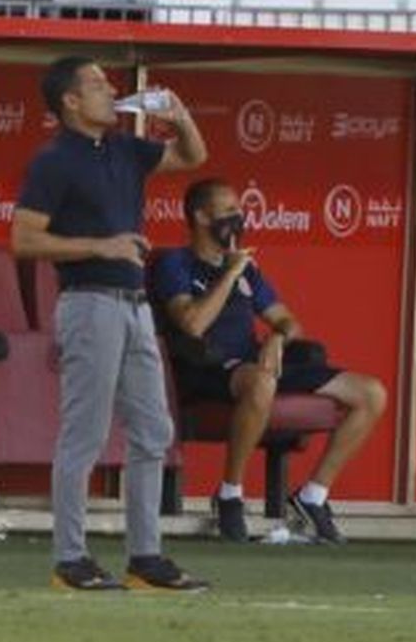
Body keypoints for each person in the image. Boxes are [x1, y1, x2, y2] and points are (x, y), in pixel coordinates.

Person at [10, 57, 209, 592]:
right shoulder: (54, 161)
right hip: (89, 301)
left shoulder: (124, 148)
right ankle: (69, 559)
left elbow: (192, 155)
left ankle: (145, 557)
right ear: (71, 102)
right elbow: (24, 239)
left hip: (134, 304)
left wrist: (180, 115)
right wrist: (101, 245)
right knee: (86, 434)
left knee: (153, 431)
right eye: (97, 85)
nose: (110, 92)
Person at [149, 178, 389, 545]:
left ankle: (313, 497)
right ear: (200, 216)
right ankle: (230, 494)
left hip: (253, 365)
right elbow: (192, 324)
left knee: (371, 393)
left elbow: (288, 320)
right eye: (228, 210)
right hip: (206, 368)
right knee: (261, 382)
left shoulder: (249, 270)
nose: (238, 217)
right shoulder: (174, 263)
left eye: (238, 210)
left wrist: (277, 337)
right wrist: (229, 272)